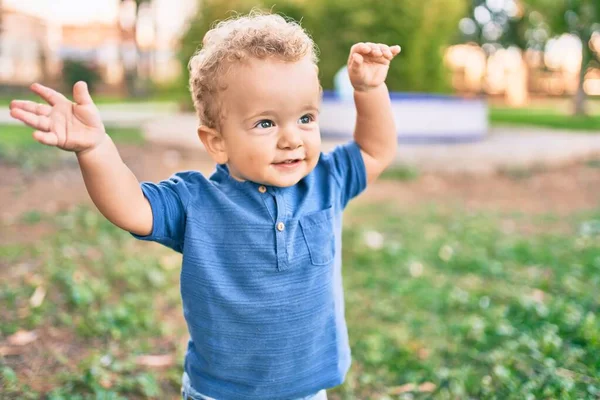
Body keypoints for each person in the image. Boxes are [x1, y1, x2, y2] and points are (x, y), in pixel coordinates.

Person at [8, 11, 400, 400]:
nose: (291, 139)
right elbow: (131, 207)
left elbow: (374, 150)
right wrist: (95, 149)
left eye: (305, 118)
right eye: (266, 123)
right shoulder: (198, 201)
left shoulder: (326, 183)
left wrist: (368, 91)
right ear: (217, 142)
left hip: (307, 390)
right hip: (221, 393)